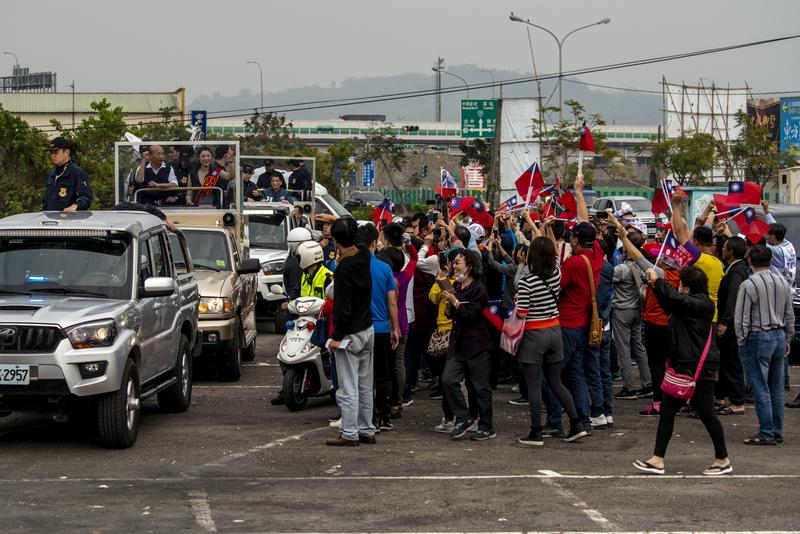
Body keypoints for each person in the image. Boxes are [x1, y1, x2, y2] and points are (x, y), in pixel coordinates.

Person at [634, 266, 732, 476]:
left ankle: (723, 459)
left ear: (687, 287)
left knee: (706, 411)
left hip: (699, 367)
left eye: (680, 285)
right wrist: (655, 285)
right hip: (685, 365)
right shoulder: (689, 304)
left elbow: (676, 301)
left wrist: (658, 280)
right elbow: (669, 302)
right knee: (668, 412)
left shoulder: (702, 304)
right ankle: (657, 459)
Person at [516, 236, 589, 446]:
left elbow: (522, 313)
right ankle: (576, 424)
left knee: (534, 386)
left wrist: (519, 302)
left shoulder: (527, 281)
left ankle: (536, 431)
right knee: (556, 381)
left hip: (534, 334)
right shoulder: (557, 272)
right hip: (555, 330)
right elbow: (556, 254)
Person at [543, 174, 600, 436]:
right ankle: (584, 420)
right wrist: (578, 192)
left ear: (575, 240)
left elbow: (555, 285)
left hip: (566, 325)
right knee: (576, 375)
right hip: (583, 324)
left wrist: (549, 241)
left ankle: (556, 422)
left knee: (551, 375)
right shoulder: (597, 255)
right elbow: (586, 223)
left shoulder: (575, 263)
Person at [734, 244, 794, 444]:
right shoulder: (782, 282)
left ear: (750, 261)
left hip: (758, 337)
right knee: (776, 388)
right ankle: (776, 430)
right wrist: (787, 338)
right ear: (770, 261)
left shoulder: (748, 285)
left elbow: (741, 319)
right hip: (778, 335)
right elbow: (789, 314)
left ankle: (766, 431)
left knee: (759, 386)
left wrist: (741, 342)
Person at [325, 217, 375, 447]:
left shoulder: (344, 268)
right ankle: (366, 429)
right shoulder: (364, 255)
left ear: (335, 240)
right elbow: (359, 239)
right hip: (367, 328)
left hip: (350, 333)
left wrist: (336, 337)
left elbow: (342, 309)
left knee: (348, 387)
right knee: (365, 385)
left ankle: (349, 432)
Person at [440, 250, 495, 441]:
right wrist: (449, 305)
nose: (454, 266)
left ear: (469, 266)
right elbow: (452, 315)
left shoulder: (478, 288)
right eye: (454, 263)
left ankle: (487, 425)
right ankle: (463, 417)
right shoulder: (456, 285)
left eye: (458, 263)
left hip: (476, 344)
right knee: (448, 379)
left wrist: (455, 302)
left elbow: (471, 315)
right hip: (458, 343)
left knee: (480, 388)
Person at [357, 224, 400, 431]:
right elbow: (392, 302)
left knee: (360, 376)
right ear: (374, 243)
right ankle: (383, 416)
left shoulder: (350, 266)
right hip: (381, 329)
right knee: (382, 376)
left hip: (357, 329)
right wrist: (396, 328)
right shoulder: (384, 268)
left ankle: (363, 417)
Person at [270, 227, 313, 406]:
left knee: (296, 350)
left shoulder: (296, 262)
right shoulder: (296, 260)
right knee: (287, 351)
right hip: (298, 311)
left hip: (302, 312)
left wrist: (291, 303)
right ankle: (291, 383)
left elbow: (296, 290)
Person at [612, 228, 652, 400]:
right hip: (637, 310)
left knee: (623, 349)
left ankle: (628, 386)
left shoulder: (622, 269)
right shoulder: (642, 267)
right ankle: (647, 383)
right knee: (639, 347)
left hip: (622, 311)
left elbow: (606, 276)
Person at [715, 236, 749, 415]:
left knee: (731, 361)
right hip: (729, 322)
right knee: (725, 361)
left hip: (731, 324)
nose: (722, 250)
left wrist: (725, 321)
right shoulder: (734, 267)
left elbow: (732, 298)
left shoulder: (737, 271)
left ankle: (737, 400)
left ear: (732, 252)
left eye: (725, 248)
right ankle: (720, 395)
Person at [43, 137, 93, 212]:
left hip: (68, 221)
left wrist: (76, 206)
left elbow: (86, 196)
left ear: (66, 152)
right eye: (51, 152)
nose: (53, 155)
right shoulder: (52, 174)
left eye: (56, 152)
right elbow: (46, 201)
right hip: (50, 221)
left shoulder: (76, 172)